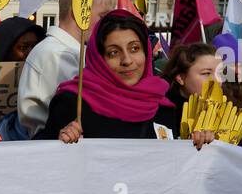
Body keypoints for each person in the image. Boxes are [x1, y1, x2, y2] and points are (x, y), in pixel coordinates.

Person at [38, 8, 191, 144]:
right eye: (113, 53)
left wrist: (199, 144)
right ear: (98, 58)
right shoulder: (72, 102)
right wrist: (59, 140)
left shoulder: (161, 103)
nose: (127, 60)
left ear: (146, 52)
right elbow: (39, 157)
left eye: (134, 48)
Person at [18, 0, 116, 135]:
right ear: (78, 12)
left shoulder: (67, 50)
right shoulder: (56, 54)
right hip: (55, 150)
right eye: (103, 17)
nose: (108, 25)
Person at [158, 42, 220, 136]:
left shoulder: (233, 110)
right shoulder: (162, 114)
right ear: (181, 78)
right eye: (206, 73)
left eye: (219, 73)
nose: (217, 80)